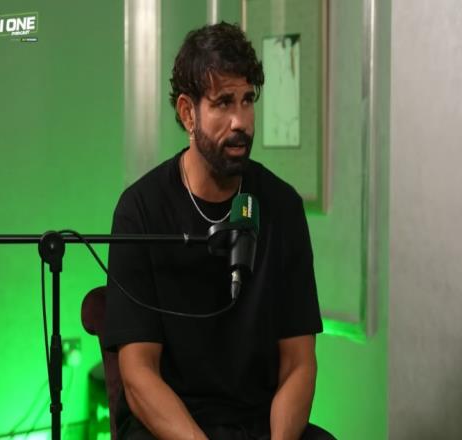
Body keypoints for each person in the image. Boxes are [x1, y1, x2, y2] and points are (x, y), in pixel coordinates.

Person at [104, 22, 327, 440]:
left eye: (247, 100)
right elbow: (138, 375)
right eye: (223, 103)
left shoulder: (282, 206)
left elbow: (299, 363)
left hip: (260, 425)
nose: (241, 121)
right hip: (170, 428)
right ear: (188, 113)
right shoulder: (140, 210)